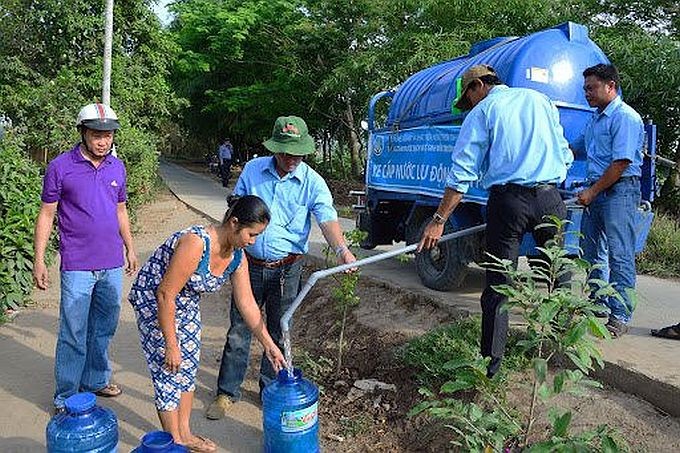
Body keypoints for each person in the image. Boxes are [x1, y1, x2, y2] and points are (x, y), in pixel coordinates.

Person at [418, 65, 573, 378]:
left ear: (477, 86)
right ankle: (558, 352)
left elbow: (461, 173)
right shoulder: (540, 100)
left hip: (509, 202)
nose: (470, 105)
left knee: (499, 285)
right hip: (550, 199)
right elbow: (565, 153)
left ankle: (492, 366)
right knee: (558, 275)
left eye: (468, 98)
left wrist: (438, 219)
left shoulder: (484, 111)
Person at [206, 115, 357, 420]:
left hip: (288, 269)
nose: (291, 159)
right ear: (275, 149)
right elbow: (237, 210)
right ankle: (226, 393)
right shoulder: (253, 170)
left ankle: (270, 390)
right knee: (239, 328)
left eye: (297, 154)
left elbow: (326, 218)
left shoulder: (312, 181)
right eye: (286, 153)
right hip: (248, 264)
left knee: (278, 329)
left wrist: (342, 250)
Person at [128, 195, 286, 452]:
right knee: (169, 371)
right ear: (234, 223)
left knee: (188, 367)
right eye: (251, 234)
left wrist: (269, 345)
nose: (253, 241)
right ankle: (175, 443)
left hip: (186, 301)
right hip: (156, 300)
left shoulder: (237, 257)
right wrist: (170, 344)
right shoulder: (196, 243)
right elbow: (165, 294)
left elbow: (247, 304)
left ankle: (186, 434)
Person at [33, 103, 139, 413]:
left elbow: (121, 210)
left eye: (107, 135)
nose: (103, 141)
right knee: (73, 331)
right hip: (77, 263)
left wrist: (130, 248)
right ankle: (66, 395)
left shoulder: (117, 167)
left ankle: (95, 379)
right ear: (82, 133)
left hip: (111, 263)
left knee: (104, 326)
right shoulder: (60, 167)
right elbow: (47, 213)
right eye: (96, 135)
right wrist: (39, 259)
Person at [571, 64, 644, 338]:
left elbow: (621, 162)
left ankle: (620, 314)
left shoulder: (625, 117)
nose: (586, 93)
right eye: (585, 88)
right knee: (592, 253)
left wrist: (592, 192)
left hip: (619, 191)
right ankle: (598, 304)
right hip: (598, 191)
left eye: (592, 88)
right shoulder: (595, 119)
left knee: (620, 253)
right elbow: (576, 147)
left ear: (610, 86)